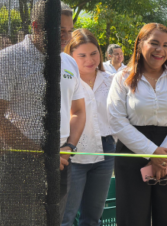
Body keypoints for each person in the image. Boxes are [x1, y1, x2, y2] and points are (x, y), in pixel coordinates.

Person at [0, 0, 86, 221]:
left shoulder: (69, 62)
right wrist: (41, 155)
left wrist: (69, 146)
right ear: (36, 26)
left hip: (60, 161)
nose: (66, 37)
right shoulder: (9, 59)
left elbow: (78, 111)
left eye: (69, 31)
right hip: (20, 164)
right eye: (59, 30)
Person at [107, 23, 167, 226]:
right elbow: (116, 120)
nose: (160, 50)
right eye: (154, 43)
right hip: (132, 152)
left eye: (166, 45)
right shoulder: (122, 79)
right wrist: (152, 152)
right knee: (132, 216)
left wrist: (162, 158)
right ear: (139, 45)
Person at [61, 29, 115, 226]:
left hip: (106, 149)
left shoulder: (111, 79)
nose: (89, 60)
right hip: (72, 150)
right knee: (66, 215)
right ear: (70, 56)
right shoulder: (66, 80)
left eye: (93, 53)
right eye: (81, 55)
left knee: (93, 216)